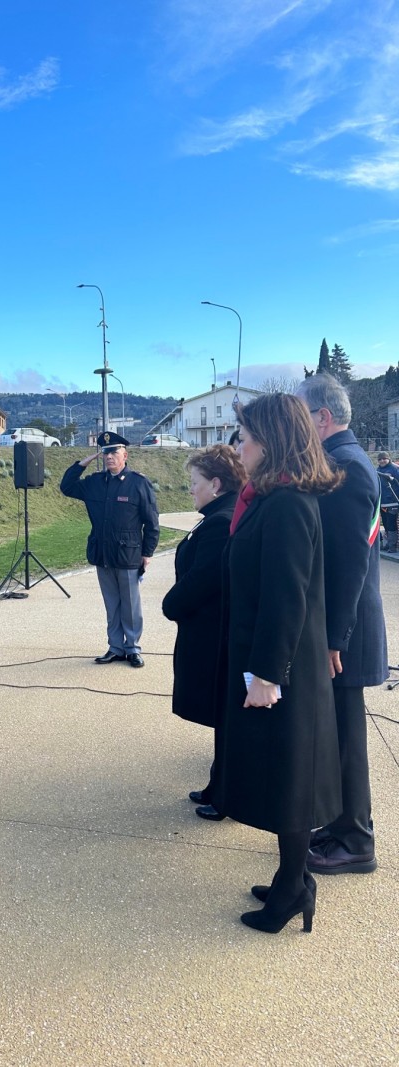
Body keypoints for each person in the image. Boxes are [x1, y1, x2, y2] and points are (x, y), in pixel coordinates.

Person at [212, 393, 343, 933]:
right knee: (281, 776)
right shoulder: (271, 496)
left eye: (244, 438)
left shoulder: (287, 503)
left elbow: (287, 597)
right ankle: (293, 878)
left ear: (270, 442)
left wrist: (267, 675)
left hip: (279, 668)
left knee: (288, 780)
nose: (239, 447)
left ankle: (294, 888)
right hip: (272, 661)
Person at [295, 375, 388, 875]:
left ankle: (357, 839)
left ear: (322, 419)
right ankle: (339, 824)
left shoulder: (348, 467)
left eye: (303, 416)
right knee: (336, 733)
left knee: (348, 737)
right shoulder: (346, 460)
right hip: (343, 626)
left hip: (344, 630)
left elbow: (351, 561)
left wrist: (335, 638)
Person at [161, 444, 246, 817]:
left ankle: (227, 795)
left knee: (226, 718)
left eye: (194, 482)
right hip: (209, 633)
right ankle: (218, 786)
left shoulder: (219, 522)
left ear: (215, 483)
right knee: (222, 719)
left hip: (214, 637)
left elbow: (202, 580)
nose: (190, 489)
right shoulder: (219, 514)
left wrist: (171, 604)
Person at [60, 431, 159, 666]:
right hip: (102, 552)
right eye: (105, 452)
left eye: (113, 452)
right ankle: (115, 647)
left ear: (125, 454)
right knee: (112, 604)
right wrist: (84, 462)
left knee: (130, 605)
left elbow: (152, 522)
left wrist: (148, 553)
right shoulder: (95, 483)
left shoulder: (138, 483)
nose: (109, 457)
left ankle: (132, 648)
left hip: (128, 553)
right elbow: (66, 486)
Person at [376, 451, 399, 553]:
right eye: (380, 459)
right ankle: (387, 544)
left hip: (393, 502)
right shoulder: (377, 471)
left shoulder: (394, 470)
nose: (382, 461)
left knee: (391, 524)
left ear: (388, 459)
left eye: (384, 458)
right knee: (385, 524)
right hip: (382, 502)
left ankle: (392, 546)